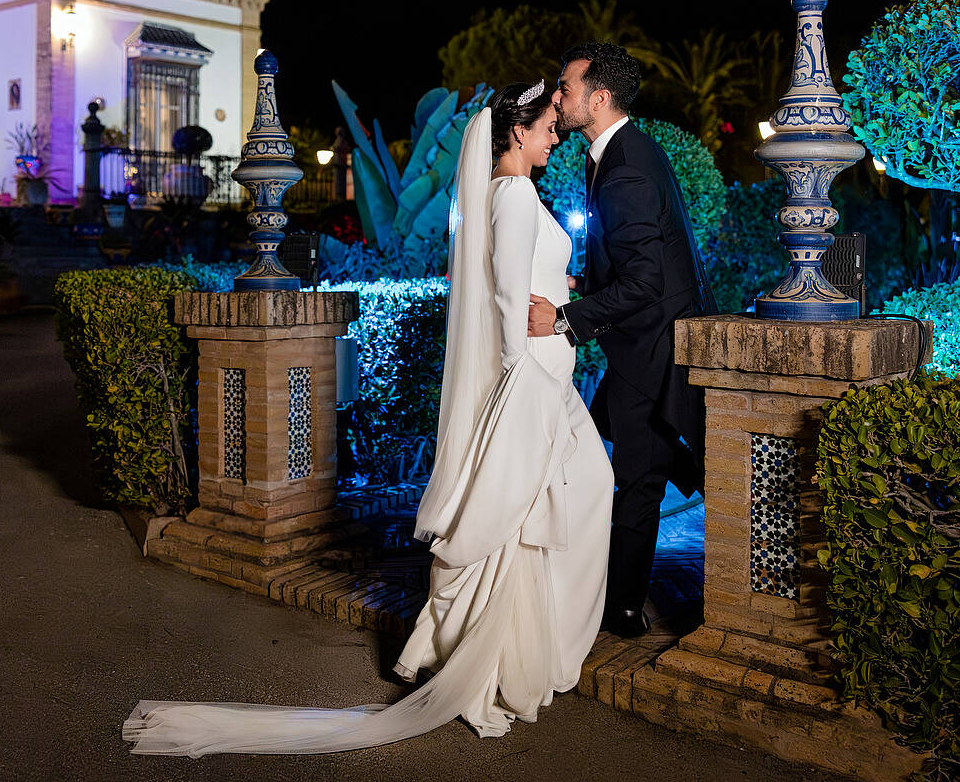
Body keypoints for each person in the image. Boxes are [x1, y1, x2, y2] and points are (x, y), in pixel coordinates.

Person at [123, 81, 614, 756]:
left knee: (525, 520)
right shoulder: (518, 194)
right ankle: (510, 660)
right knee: (530, 516)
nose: (555, 139)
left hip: (537, 370)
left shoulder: (505, 196)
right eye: (547, 129)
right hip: (531, 376)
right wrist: (518, 369)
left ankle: (514, 653)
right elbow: (505, 297)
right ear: (515, 134)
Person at [528, 43, 713, 639]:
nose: (558, 97)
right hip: (648, 340)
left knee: (633, 478)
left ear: (598, 97)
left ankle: (623, 609)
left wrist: (564, 316)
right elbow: (633, 259)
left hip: (650, 347)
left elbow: (645, 280)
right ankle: (683, 463)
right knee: (627, 447)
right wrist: (583, 282)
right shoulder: (621, 150)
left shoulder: (626, 165)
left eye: (567, 87)